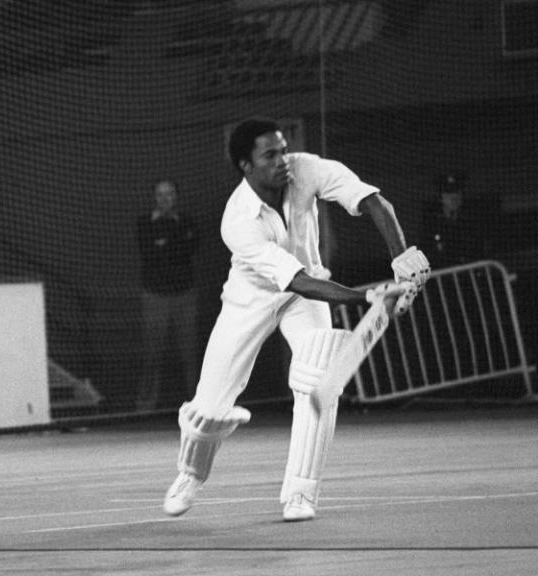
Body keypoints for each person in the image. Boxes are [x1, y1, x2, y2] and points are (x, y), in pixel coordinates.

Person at [161, 118, 430, 522]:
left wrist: (401, 259)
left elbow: (375, 202)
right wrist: (367, 297)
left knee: (318, 381)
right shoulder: (237, 220)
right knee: (209, 407)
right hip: (251, 297)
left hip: (306, 292)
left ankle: (301, 495)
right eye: (269, 155)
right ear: (245, 166)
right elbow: (296, 280)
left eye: (283, 149)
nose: (282, 160)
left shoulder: (305, 168)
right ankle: (190, 474)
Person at [135, 180, 200, 410]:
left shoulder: (187, 222)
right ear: (154, 197)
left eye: (169, 194)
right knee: (152, 352)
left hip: (185, 296)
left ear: (176, 197)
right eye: (160, 194)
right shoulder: (144, 224)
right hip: (155, 296)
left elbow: (187, 251)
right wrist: (173, 245)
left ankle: (198, 404)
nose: (165, 199)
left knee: (189, 352)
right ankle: (145, 406)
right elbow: (151, 253)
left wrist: (167, 245)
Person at [421, 171, 490, 269]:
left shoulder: (472, 221)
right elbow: (429, 252)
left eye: (457, 192)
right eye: (448, 193)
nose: (454, 197)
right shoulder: (432, 224)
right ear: (441, 197)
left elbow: (479, 249)